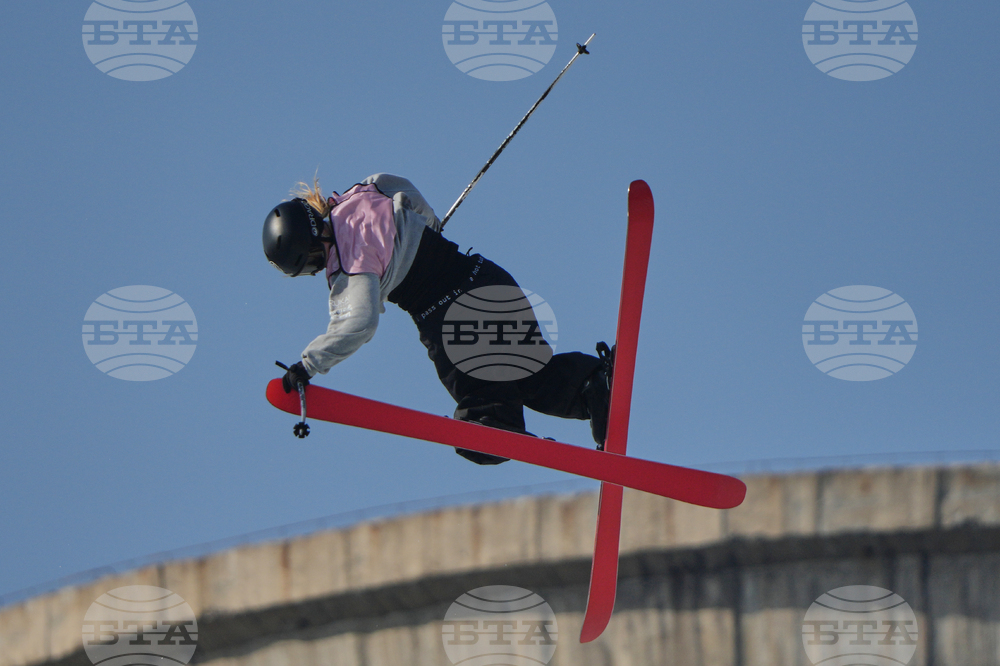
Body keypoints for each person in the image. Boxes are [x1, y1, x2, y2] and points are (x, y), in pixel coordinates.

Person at [263, 173, 613, 464]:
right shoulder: (360, 193)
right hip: (488, 279)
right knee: (529, 376)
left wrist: (308, 365)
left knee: (482, 408)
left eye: (311, 261)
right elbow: (400, 184)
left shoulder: (347, 265)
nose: (318, 267)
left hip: (453, 319)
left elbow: (359, 323)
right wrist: (428, 225)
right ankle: (591, 387)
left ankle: (494, 429)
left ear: (312, 241)